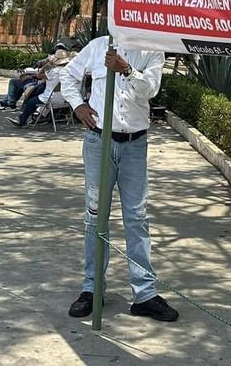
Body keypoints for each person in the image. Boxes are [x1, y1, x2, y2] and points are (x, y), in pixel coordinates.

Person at [60, 35, 178, 323]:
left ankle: (145, 294)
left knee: (137, 217)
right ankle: (92, 288)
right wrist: (78, 105)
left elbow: (150, 90)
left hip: (135, 144)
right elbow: (68, 74)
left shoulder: (152, 49)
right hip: (99, 142)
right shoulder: (100, 45)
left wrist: (126, 69)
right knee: (95, 215)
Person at [14, 49, 69, 127]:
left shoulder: (54, 71)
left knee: (30, 102)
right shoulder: (69, 71)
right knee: (35, 98)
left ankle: (22, 121)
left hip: (51, 98)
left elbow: (39, 75)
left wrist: (46, 65)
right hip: (65, 98)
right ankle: (29, 118)